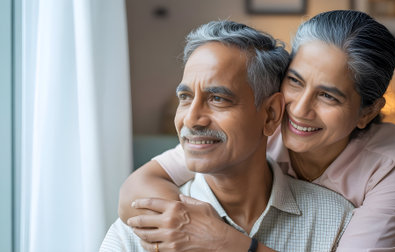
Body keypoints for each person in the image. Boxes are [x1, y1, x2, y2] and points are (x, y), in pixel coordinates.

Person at [120, 10, 395, 252]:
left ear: (368, 111)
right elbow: (140, 184)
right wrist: (178, 220)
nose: (298, 108)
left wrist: (224, 241)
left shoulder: (393, 166)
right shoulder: (264, 122)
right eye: (295, 80)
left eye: (328, 96)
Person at [101, 20, 354, 252]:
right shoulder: (140, 229)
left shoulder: (337, 223)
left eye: (218, 99)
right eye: (185, 98)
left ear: (270, 114)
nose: (191, 119)